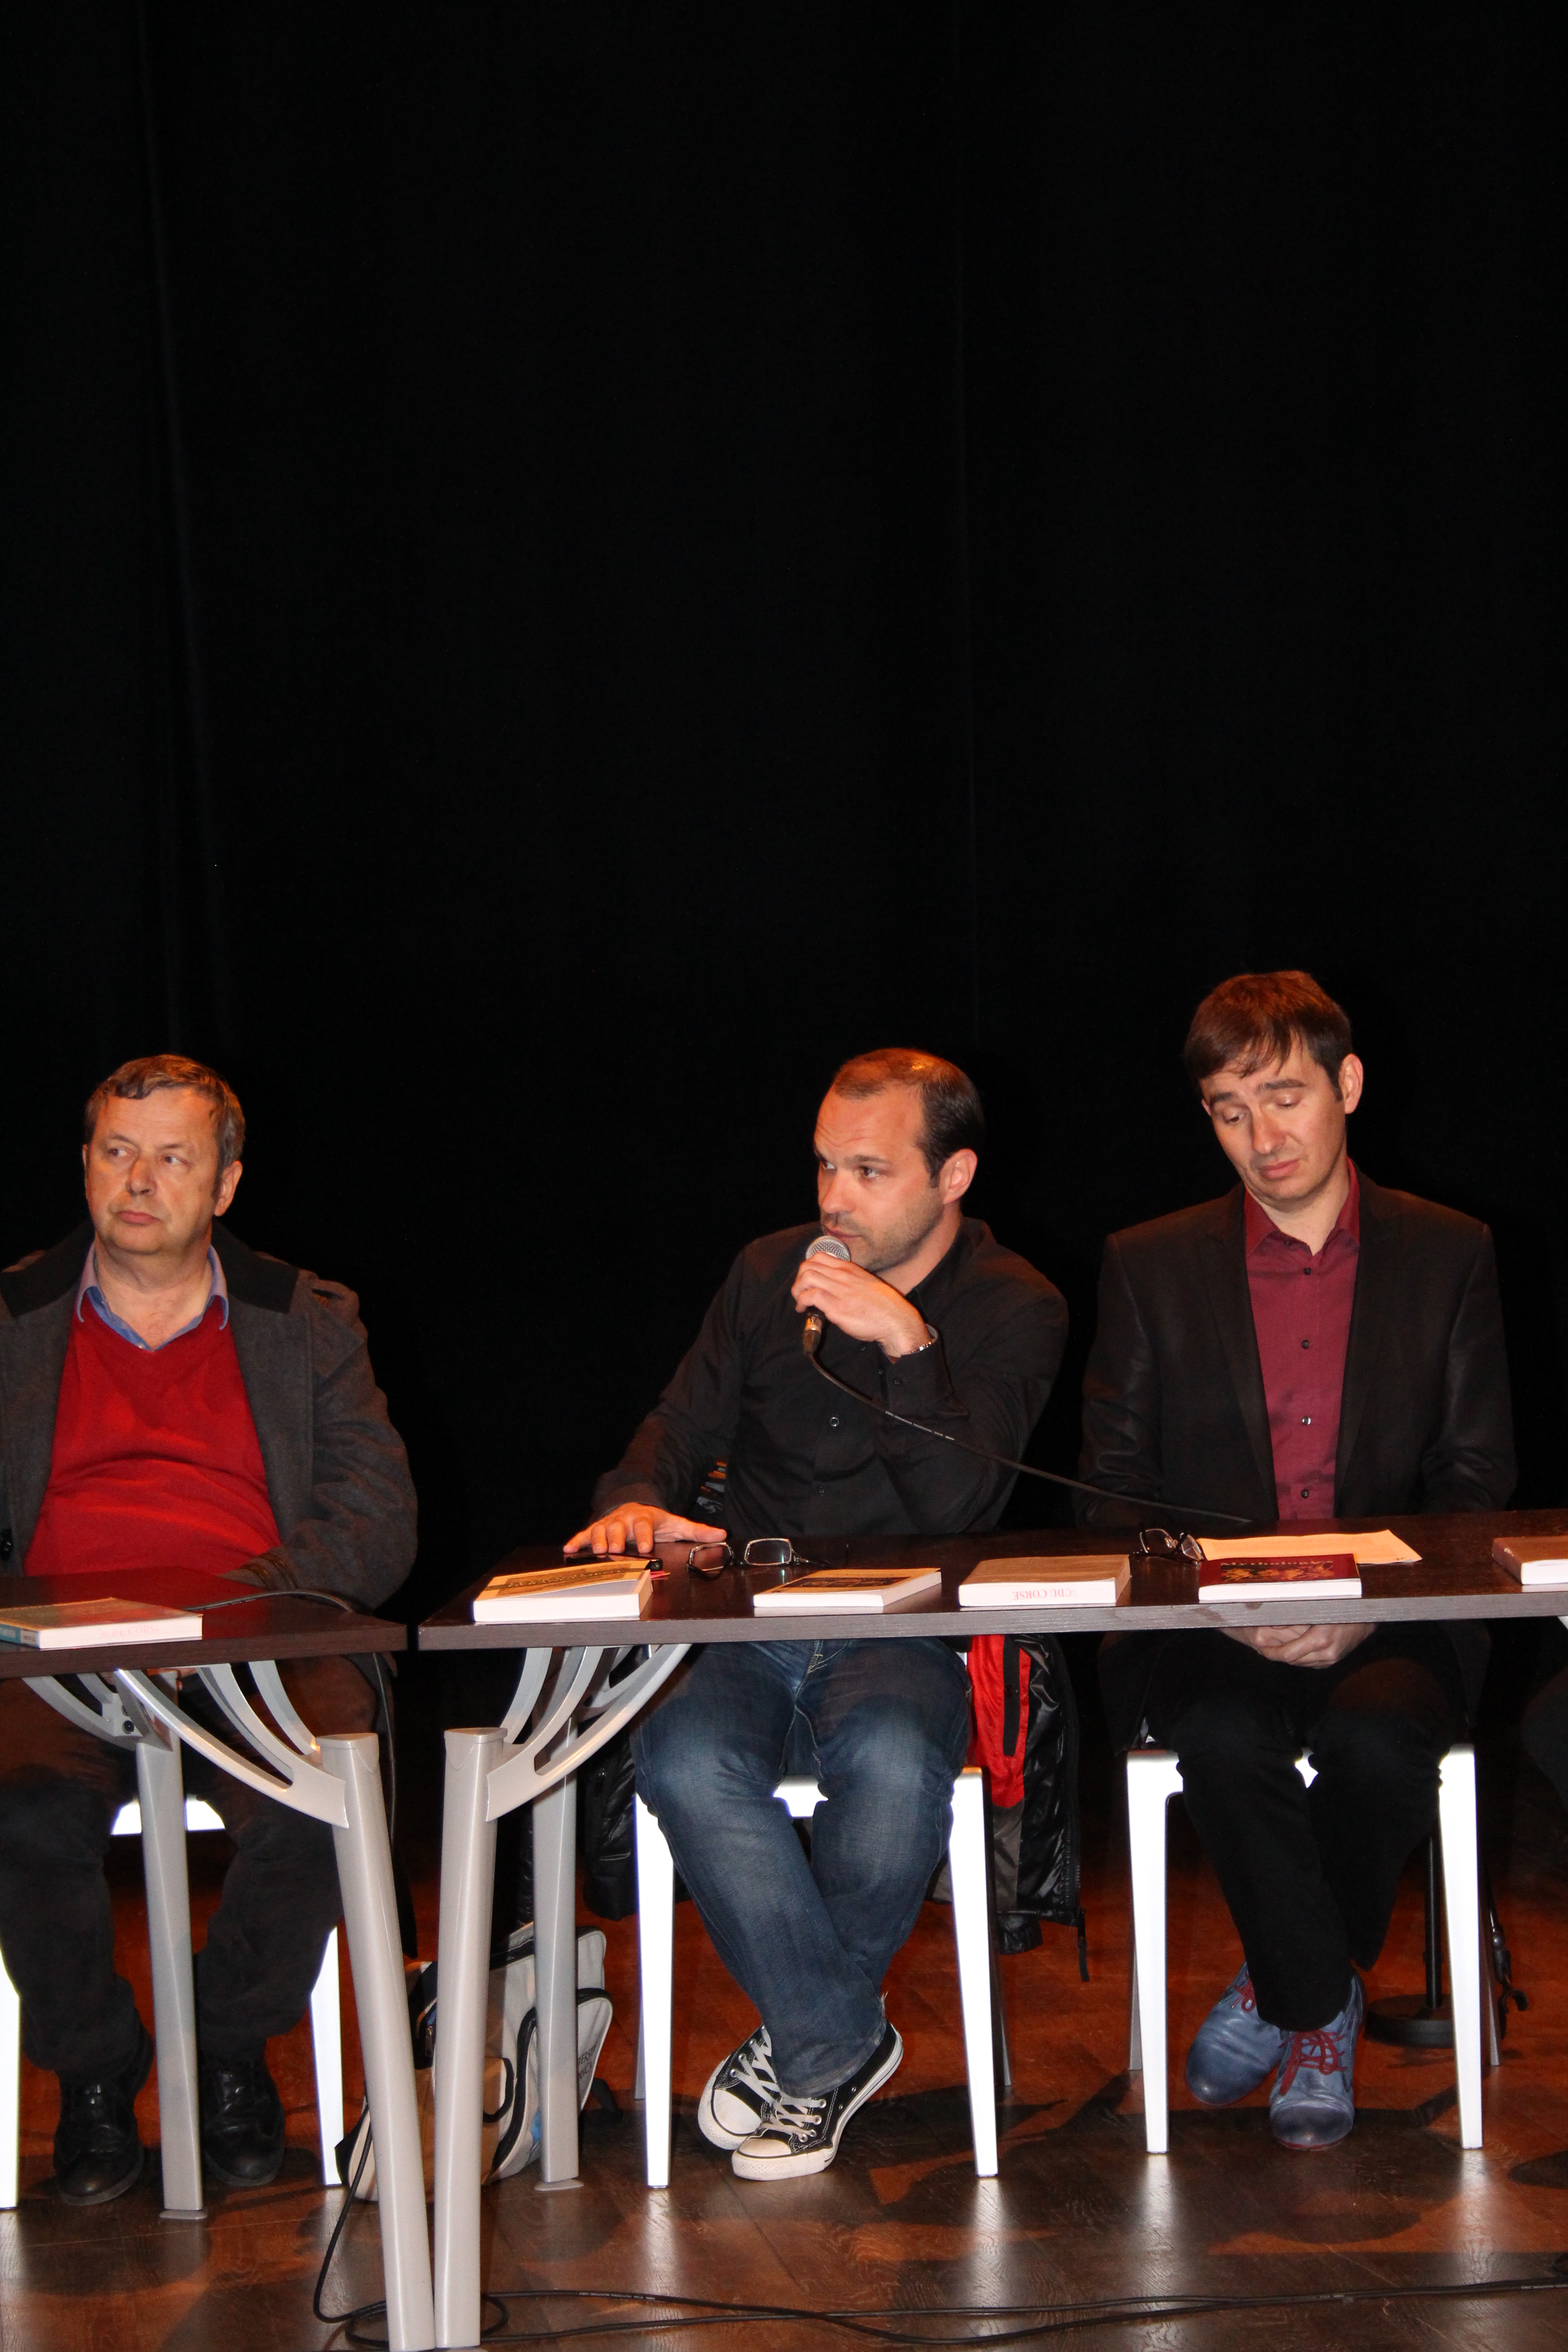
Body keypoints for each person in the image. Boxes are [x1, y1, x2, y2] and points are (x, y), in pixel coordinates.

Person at [569, 1049, 1067, 2179]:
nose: (835, 1199)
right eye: (825, 1167)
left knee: (891, 1760)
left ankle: (805, 2048)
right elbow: (678, 1424)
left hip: (905, 1626)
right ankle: (836, 2039)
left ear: (953, 1177)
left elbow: (961, 1505)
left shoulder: (1016, 1302)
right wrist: (637, 1500)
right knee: (681, 1759)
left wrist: (906, 1343)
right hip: (751, 1615)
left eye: (869, 1172)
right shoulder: (766, 1272)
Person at [1078, 972, 1514, 2150]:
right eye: (1230, 1111)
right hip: (1213, 1627)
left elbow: (1475, 1480)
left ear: (1348, 1085)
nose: (1262, 1137)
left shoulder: (1450, 1252)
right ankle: (1320, 2007)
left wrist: (1369, 1606)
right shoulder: (1151, 1263)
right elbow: (1114, 1490)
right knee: (1225, 1736)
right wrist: (1228, 1605)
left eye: (1284, 1097)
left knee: (1376, 1737)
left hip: (1397, 1616)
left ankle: (1282, 1992)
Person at [0, 1056, 415, 2203]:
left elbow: (378, 1517)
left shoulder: (306, 1319)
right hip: (55, 1650)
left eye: (172, 1158)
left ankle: (223, 2047)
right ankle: (94, 2070)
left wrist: (230, 1605)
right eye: (117, 1152)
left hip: (252, 1636)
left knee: (329, 1790)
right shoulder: (13, 1318)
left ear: (225, 1185)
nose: (139, 1181)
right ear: (86, 1165)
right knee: (17, 1809)